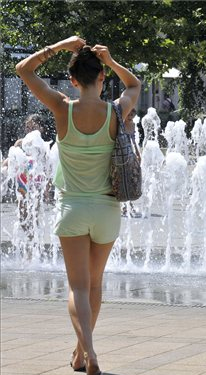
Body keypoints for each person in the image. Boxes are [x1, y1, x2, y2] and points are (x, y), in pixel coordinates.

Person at [16, 36, 140, 375]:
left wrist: (60, 46)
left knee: (77, 287)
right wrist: (110, 59)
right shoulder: (117, 110)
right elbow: (135, 84)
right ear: (101, 78)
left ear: (72, 81)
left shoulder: (62, 107)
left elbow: (23, 69)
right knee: (95, 285)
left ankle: (89, 351)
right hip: (107, 210)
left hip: (71, 208)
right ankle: (81, 353)